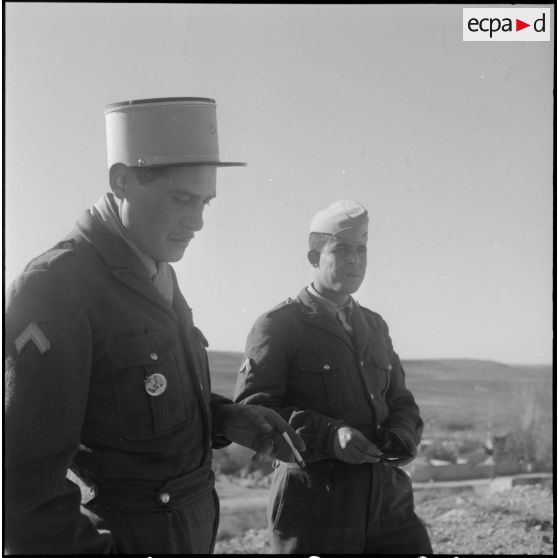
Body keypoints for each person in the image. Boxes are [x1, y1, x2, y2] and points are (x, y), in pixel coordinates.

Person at [5, 97, 305, 554]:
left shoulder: (157, 268)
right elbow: (21, 488)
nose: (199, 220)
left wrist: (222, 416)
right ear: (121, 180)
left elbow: (135, 397)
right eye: (182, 199)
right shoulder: (56, 286)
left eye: (204, 201)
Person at [233, 200, 433, 554]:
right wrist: (329, 435)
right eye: (342, 250)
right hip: (315, 507)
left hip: (387, 502)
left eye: (361, 250)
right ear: (314, 257)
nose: (355, 260)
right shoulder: (278, 326)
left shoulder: (374, 325)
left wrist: (403, 434)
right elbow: (253, 410)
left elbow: (401, 400)